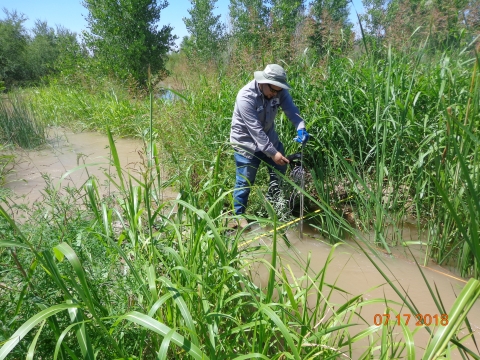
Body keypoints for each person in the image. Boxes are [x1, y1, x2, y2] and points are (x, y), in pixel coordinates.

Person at [229, 64, 309, 227]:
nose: (275, 94)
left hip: (269, 138)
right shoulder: (245, 96)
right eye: (272, 90)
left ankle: (272, 204)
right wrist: (273, 153)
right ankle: (238, 216)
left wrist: (301, 128)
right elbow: (256, 131)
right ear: (262, 82)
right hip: (246, 143)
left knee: (279, 171)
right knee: (245, 181)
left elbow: (293, 112)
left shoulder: (278, 91)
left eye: (278, 91)